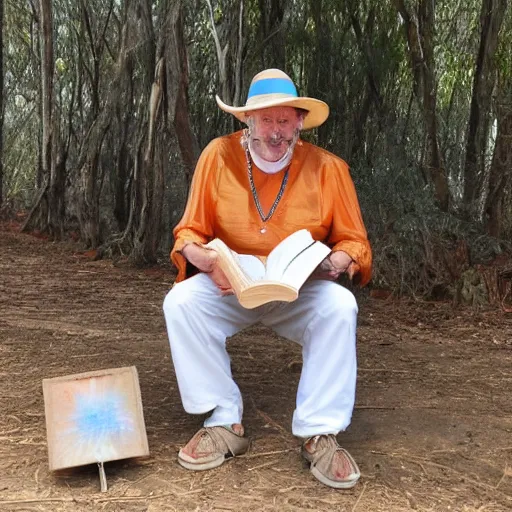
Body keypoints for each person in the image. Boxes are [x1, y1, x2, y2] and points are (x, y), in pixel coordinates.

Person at [163, 69, 372, 489]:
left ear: (299, 122)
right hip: (232, 284)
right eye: (266, 121)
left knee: (340, 306)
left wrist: (337, 260)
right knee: (181, 303)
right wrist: (205, 260)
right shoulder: (217, 157)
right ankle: (224, 421)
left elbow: (355, 241)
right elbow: (188, 233)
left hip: (298, 287)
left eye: (284, 121)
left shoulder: (328, 168)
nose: (276, 133)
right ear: (248, 121)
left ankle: (319, 432)